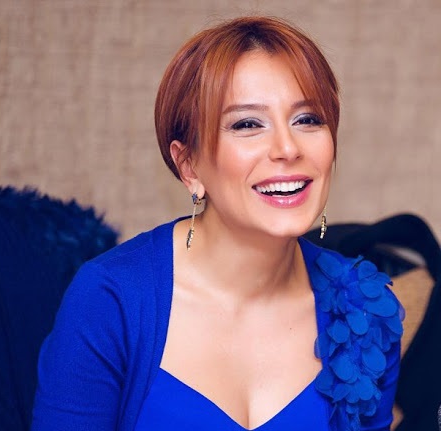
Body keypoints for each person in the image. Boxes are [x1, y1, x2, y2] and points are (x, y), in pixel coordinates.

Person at [31, 16, 403, 431]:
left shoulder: (365, 313)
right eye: (247, 124)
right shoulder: (109, 301)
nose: (287, 147)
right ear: (189, 166)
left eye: (307, 119)